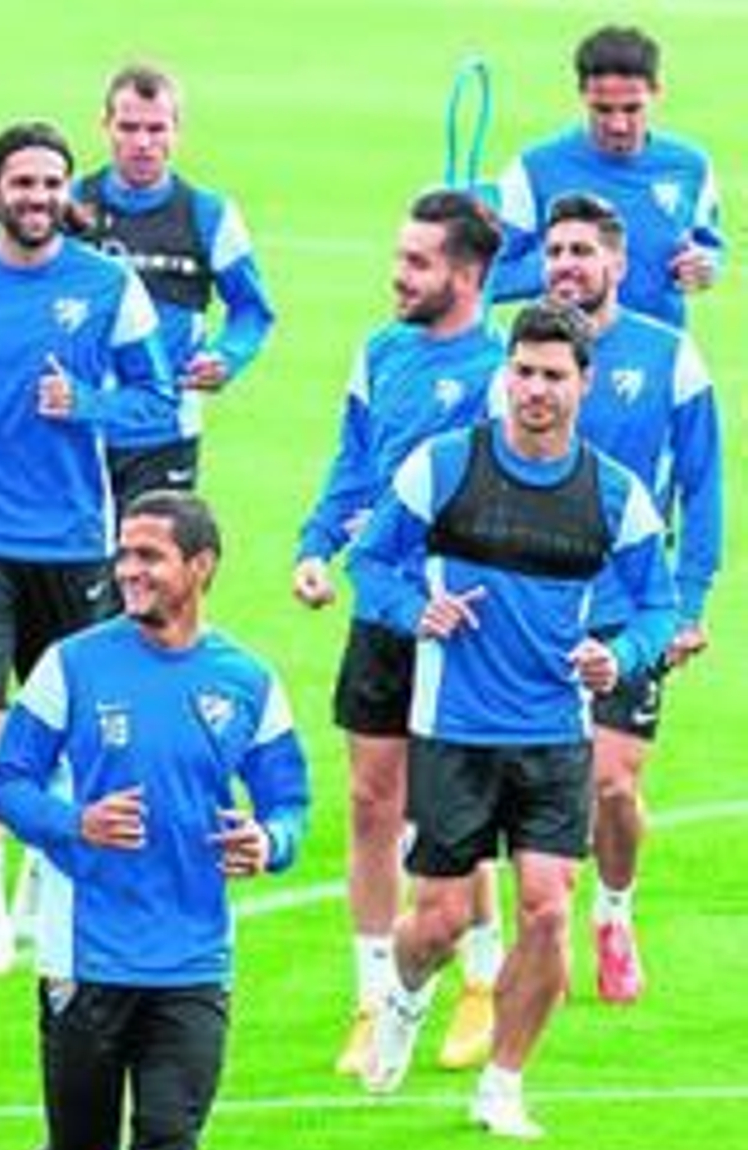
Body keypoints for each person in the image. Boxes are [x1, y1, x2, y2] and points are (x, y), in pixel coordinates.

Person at [0, 491, 308, 1150]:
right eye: (124, 554)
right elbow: (5, 781)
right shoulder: (72, 666)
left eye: (150, 556)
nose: (129, 570)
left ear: (201, 567)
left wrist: (269, 841)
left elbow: (289, 802)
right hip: (86, 954)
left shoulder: (246, 681)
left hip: (194, 960)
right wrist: (73, 823)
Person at [348, 302, 677, 1140]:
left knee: (546, 908)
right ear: (507, 374)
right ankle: (405, 994)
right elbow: (373, 563)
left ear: (584, 383)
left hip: (554, 731)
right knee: (440, 921)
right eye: (523, 371)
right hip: (454, 726)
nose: (535, 389)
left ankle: (502, 1083)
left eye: (553, 375)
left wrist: (621, 656)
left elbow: (658, 605)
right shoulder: (444, 466)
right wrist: (415, 611)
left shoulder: (613, 493)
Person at [0, 121, 176, 975]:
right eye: (23, 183)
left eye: (52, 182)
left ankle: (42, 885)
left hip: (74, 541)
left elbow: (159, 402)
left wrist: (88, 402)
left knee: (71, 733)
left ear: (69, 191)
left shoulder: (108, 285)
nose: (38, 197)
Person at [292, 189, 504, 1077]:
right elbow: (355, 465)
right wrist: (317, 547)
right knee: (373, 801)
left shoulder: (505, 369)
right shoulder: (380, 351)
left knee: (453, 813)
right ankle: (373, 994)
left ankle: (483, 979)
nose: (399, 275)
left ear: (468, 273)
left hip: (464, 621)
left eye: (418, 262)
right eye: (400, 257)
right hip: (383, 608)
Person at [542, 193, 723, 1001]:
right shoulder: (520, 359)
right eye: (555, 251)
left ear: (617, 263)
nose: (567, 265)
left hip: (631, 603)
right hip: (535, 602)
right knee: (545, 778)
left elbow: (703, 483)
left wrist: (689, 603)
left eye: (583, 251)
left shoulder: (667, 355)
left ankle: (614, 912)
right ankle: (540, 934)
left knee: (612, 781)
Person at [72, 63, 275, 499]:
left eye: (156, 128)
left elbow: (252, 310)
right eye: (128, 127)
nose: (143, 143)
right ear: (105, 126)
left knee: (153, 546)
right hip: (78, 427)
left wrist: (227, 356)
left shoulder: (210, 215)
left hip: (165, 434)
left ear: (176, 130)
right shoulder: (68, 207)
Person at [492, 26, 723, 329]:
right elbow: (490, 278)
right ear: (582, 95)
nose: (618, 125)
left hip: (656, 350)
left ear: (656, 92)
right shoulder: (533, 170)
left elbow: (707, 245)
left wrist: (705, 266)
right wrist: (561, 265)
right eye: (602, 109)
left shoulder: (690, 167)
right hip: (562, 351)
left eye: (632, 109)